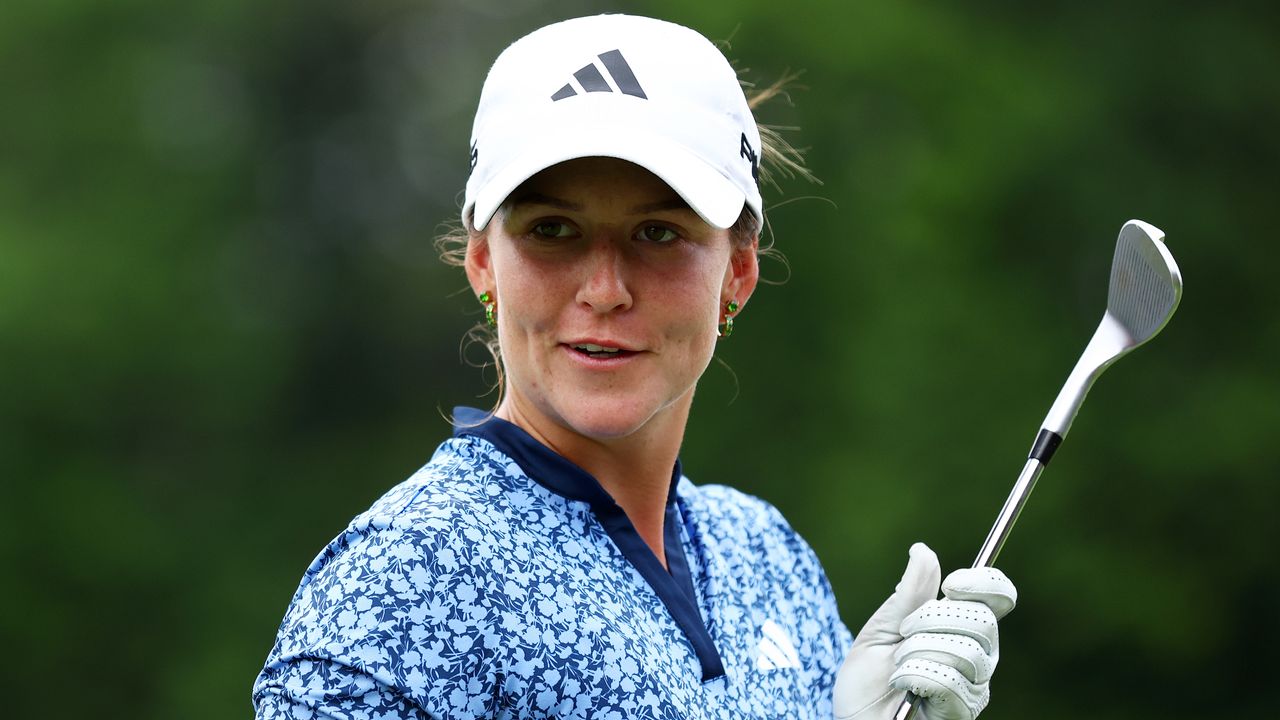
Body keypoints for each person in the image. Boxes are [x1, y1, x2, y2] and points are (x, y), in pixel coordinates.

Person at [253, 14, 1017, 720]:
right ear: (485, 262)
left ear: (738, 273)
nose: (605, 291)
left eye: (658, 233)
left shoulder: (765, 553)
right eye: (553, 230)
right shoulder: (401, 581)